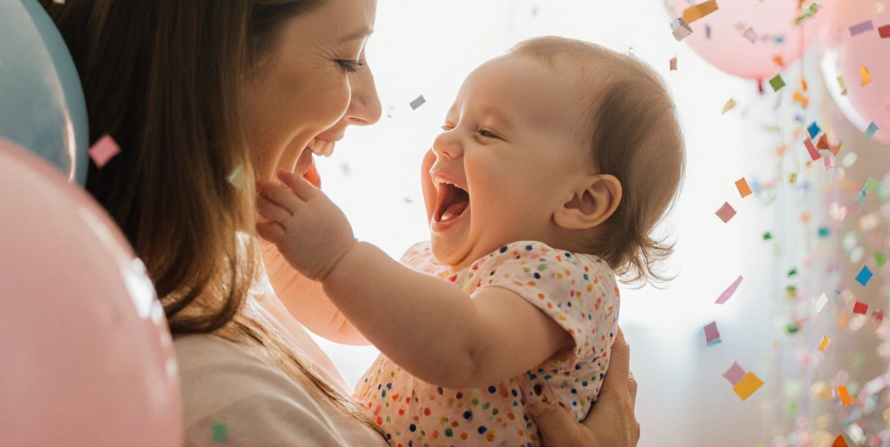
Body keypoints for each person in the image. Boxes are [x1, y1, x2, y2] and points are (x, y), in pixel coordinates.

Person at [7, 0, 641, 446]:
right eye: (345, 58)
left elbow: (445, 341)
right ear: (204, 58)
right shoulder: (222, 403)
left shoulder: (208, 281)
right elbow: (349, 308)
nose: (369, 105)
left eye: (491, 134)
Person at [255, 37, 684, 446]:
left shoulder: (568, 281)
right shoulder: (435, 265)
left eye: (487, 133)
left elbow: (466, 349)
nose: (442, 142)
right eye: (449, 124)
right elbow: (343, 315)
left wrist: (339, 255)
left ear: (582, 200)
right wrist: (278, 235)